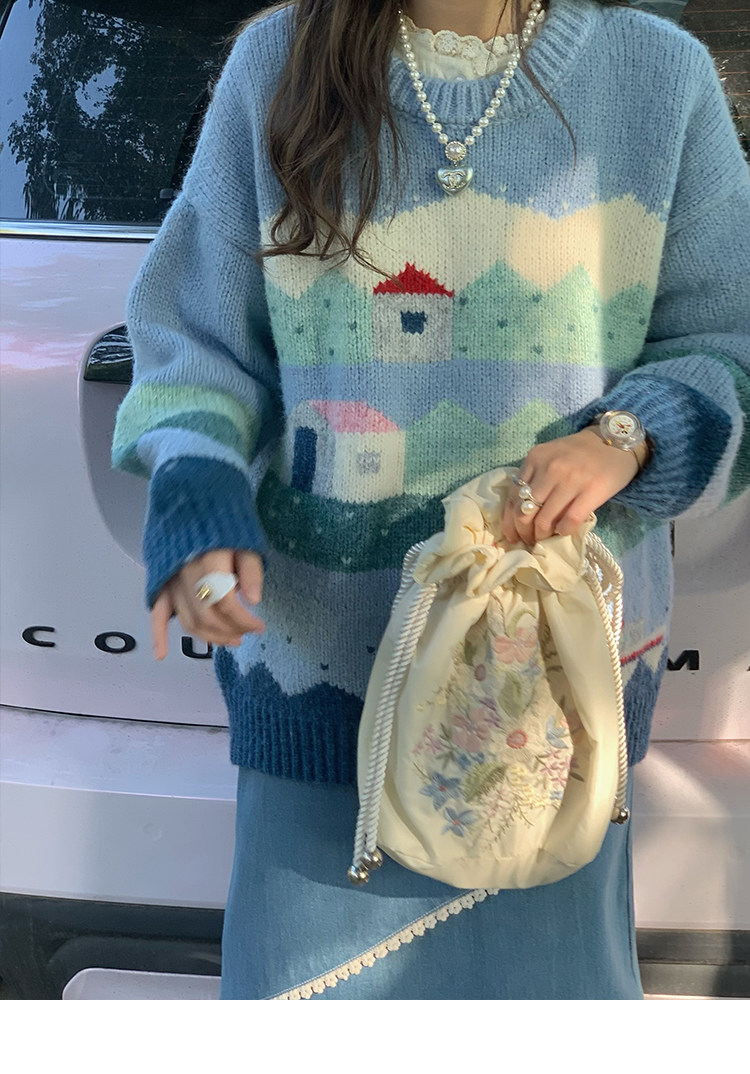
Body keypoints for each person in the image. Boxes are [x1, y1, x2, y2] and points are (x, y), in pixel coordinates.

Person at [112, 0, 750, 999]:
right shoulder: (277, 62)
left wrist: (630, 435)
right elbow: (197, 338)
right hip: (317, 691)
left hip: (550, 703)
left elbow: (731, 339)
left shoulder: (660, 79)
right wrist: (197, 488)